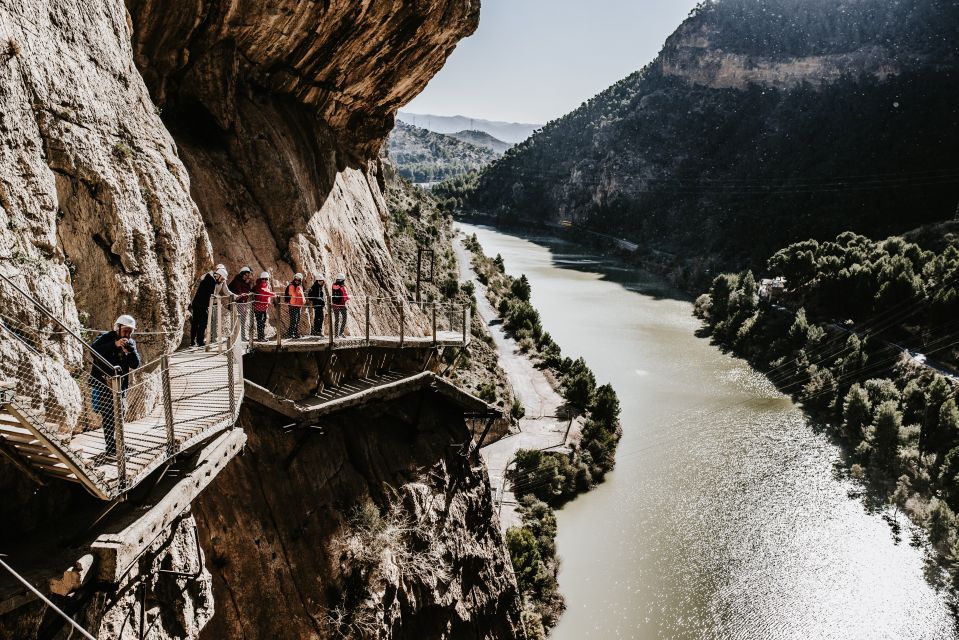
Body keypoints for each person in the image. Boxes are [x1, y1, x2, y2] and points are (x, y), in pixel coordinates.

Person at [90, 315, 141, 460]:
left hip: (121, 385)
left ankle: (119, 444)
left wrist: (130, 351)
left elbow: (135, 364)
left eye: (130, 332)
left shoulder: (130, 343)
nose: (127, 335)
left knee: (119, 415)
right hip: (104, 383)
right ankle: (111, 448)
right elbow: (93, 351)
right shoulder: (105, 337)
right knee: (108, 415)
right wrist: (115, 345)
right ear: (117, 328)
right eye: (125, 331)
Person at [190, 266, 229, 346]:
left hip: (197, 303)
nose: (221, 281)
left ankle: (193, 341)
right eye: (221, 279)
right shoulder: (211, 281)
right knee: (203, 322)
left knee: (195, 322)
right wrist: (216, 297)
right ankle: (200, 341)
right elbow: (211, 295)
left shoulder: (208, 279)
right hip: (201, 305)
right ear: (218, 275)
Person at [229, 266, 254, 341]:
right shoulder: (236, 282)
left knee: (242, 322)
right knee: (237, 322)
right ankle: (237, 338)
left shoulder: (244, 283)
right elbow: (238, 292)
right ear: (242, 274)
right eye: (245, 275)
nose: (247, 277)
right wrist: (243, 294)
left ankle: (242, 337)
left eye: (248, 275)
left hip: (243, 304)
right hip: (237, 304)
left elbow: (248, 290)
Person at [252, 272, 275, 341]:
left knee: (263, 322)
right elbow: (263, 292)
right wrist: (273, 294)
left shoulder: (266, 285)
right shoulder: (259, 286)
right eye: (263, 279)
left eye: (266, 279)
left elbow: (266, 294)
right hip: (258, 307)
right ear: (261, 279)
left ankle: (262, 337)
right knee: (260, 322)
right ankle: (260, 338)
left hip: (264, 307)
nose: (264, 280)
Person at [284, 273, 306, 339]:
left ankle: (295, 333)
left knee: (297, 320)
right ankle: (291, 333)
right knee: (294, 320)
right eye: (296, 279)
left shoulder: (300, 286)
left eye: (298, 280)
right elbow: (290, 294)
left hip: (298, 305)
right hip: (292, 305)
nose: (297, 281)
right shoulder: (291, 286)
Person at [331, 273, 350, 338]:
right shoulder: (342, 287)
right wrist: (349, 298)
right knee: (344, 318)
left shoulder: (333, 286)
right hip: (341, 305)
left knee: (337, 319)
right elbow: (346, 297)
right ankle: (340, 333)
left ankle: (336, 335)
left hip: (334, 305)